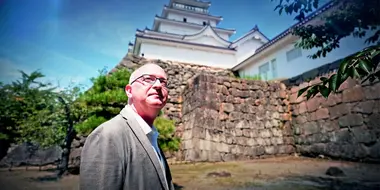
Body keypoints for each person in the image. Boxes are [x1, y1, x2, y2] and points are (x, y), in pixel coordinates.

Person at [80, 63, 175, 190]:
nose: (158, 85)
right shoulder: (107, 135)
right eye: (148, 79)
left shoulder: (151, 136)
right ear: (129, 91)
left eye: (163, 82)